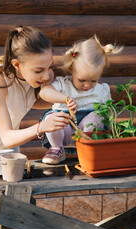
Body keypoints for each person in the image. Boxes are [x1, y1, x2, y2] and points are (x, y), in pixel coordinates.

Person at [0, 25, 71, 229]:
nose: (46, 74)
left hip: (5, 136)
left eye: (49, 67)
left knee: (18, 195)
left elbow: (44, 95)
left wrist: (67, 99)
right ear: (16, 65)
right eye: (39, 70)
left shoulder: (41, 74)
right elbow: (8, 135)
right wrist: (41, 127)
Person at [39, 35, 123, 164]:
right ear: (71, 69)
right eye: (82, 80)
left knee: (97, 116)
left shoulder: (102, 90)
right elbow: (44, 92)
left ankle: (90, 149)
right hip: (64, 130)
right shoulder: (63, 84)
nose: (87, 85)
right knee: (53, 118)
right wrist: (64, 98)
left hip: (87, 132)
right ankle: (57, 148)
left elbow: (109, 111)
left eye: (93, 80)